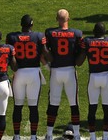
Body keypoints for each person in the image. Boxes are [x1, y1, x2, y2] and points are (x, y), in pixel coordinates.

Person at [7, 16, 50, 140]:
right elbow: (45, 53)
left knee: (18, 106)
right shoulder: (38, 36)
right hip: (33, 73)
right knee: (33, 106)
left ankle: (16, 136)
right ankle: (33, 136)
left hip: (19, 74)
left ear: (21, 24)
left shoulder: (12, 37)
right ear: (32, 25)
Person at [43, 10, 82, 140]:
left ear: (56, 19)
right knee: (74, 103)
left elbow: (46, 52)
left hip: (56, 71)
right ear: (68, 18)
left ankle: (49, 134)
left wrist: (48, 65)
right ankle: (76, 135)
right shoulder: (76, 33)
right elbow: (79, 53)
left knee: (53, 103)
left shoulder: (50, 33)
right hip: (70, 71)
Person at [76, 23, 108, 140]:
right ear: (105, 32)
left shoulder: (88, 41)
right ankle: (105, 137)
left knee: (92, 108)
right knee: (107, 108)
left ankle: (93, 137)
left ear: (94, 31)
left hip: (93, 77)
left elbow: (79, 62)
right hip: (107, 77)